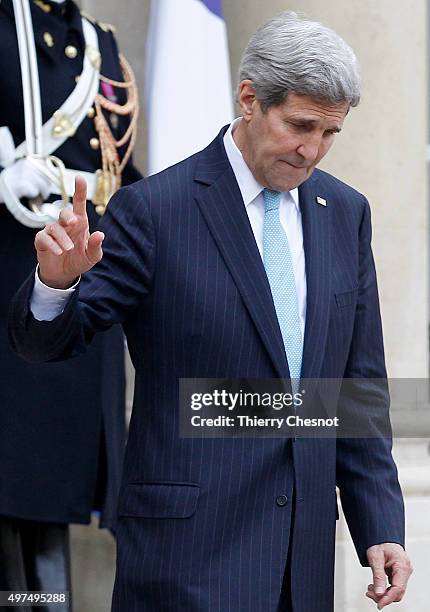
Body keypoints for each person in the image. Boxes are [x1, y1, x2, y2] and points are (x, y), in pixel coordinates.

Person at [9, 11, 412, 612]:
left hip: (301, 567)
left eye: (331, 134)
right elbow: (50, 342)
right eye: (300, 125)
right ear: (249, 99)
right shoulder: (156, 210)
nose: (313, 151)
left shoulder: (344, 213)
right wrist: (54, 285)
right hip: (186, 558)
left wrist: (379, 524)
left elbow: (354, 390)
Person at [0, 0, 141, 605]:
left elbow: (120, 170)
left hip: (74, 278)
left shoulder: (98, 42)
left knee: (48, 483)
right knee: (13, 475)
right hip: (7, 271)